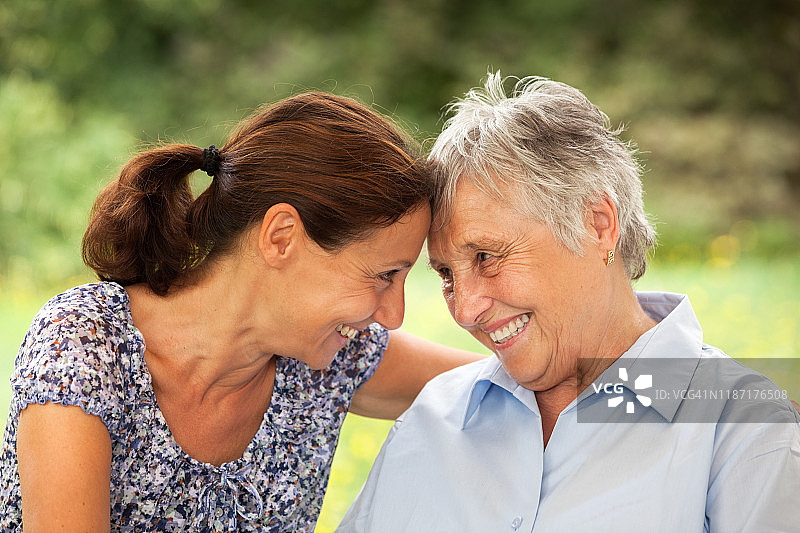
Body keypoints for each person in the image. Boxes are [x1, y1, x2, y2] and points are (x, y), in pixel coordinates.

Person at [0, 92, 483, 531]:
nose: (393, 314)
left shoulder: (329, 360)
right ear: (281, 237)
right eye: (383, 276)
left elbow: (507, 382)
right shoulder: (87, 345)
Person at [337, 74, 800, 532]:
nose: (465, 310)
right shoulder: (433, 416)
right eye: (445, 274)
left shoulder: (743, 429)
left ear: (598, 225)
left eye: (486, 256)